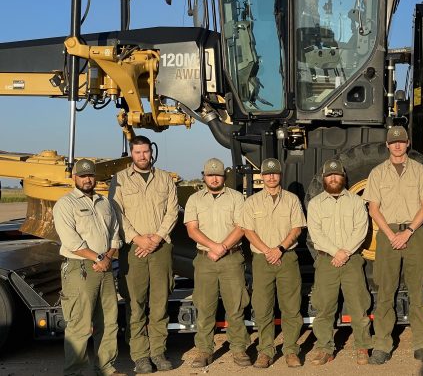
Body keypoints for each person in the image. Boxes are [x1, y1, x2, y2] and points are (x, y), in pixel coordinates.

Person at [363, 126, 423, 365]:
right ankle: (382, 344)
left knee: (418, 291)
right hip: (387, 235)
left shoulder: (419, 171)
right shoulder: (377, 173)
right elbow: (373, 209)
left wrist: (407, 232)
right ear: (387, 145)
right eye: (393, 142)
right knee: (385, 292)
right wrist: (391, 234)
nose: (397, 145)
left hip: (414, 234)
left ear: (407, 144)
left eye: (401, 141)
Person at [109, 135, 178, 374]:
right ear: (132, 154)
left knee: (159, 304)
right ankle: (140, 356)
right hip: (133, 249)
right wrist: (138, 239)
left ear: (152, 152)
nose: (142, 156)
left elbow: (172, 211)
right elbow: (116, 212)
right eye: (138, 152)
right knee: (135, 304)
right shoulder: (119, 180)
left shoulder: (165, 179)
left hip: (160, 248)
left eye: (146, 152)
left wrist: (156, 238)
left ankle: (158, 352)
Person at [53, 159, 124, 376]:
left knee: (109, 322)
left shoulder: (105, 203)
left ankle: (106, 369)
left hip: (106, 267)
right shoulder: (65, 204)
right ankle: (75, 372)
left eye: (90, 175)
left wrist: (107, 257)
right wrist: (98, 258)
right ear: (74, 177)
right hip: (81, 268)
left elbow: (115, 233)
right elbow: (71, 241)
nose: (87, 179)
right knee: (80, 325)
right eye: (82, 176)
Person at [184, 158, 252, 368]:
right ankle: (204, 350)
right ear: (204, 176)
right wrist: (214, 247)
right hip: (205, 261)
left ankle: (239, 349)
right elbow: (192, 229)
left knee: (236, 306)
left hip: (231, 258)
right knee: (204, 307)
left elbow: (242, 226)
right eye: (210, 174)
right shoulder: (194, 199)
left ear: (224, 177)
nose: (214, 178)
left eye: (218, 175)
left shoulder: (236, 198)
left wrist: (222, 247)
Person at [241, 158, 306, 368]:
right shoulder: (252, 202)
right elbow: (247, 231)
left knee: (291, 307)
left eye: (274, 173)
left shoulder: (292, 200)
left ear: (280, 175)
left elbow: (297, 228)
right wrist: (267, 250)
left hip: (286, 257)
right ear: (262, 176)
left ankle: (290, 350)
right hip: (262, 259)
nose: (271, 177)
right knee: (263, 308)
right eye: (267, 173)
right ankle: (265, 351)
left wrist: (279, 249)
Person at [307, 159, 371, 366]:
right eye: (329, 175)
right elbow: (316, 233)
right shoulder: (315, 204)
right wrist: (336, 252)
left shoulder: (356, 201)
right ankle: (325, 348)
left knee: (358, 306)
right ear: (324, 179)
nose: (333, 178)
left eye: (337, 175)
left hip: (352, 260)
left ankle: (362, 346)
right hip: (327, 261)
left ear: (344, 177)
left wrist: (345, 253)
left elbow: (361, 230)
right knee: (324, 308)